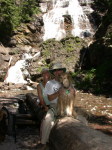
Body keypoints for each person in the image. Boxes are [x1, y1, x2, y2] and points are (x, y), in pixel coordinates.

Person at [36, 62, 66, 150]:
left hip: (66, 106)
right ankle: (43, 143)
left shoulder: (66, 81)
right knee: (47, 120)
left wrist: (68, 91)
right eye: (56, 71)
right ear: (54, 73)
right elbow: (49, 98)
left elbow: (69, 92)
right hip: (54, 106)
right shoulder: (50, 84)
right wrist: (58, 93)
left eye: (59, 70)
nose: (58, 72)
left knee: (82, 119)